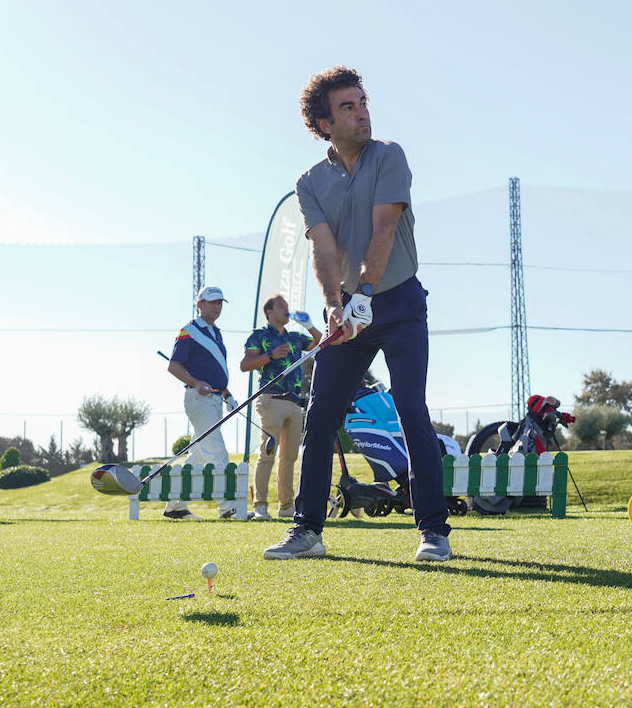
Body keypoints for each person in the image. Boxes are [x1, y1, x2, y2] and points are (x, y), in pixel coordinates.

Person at [264, 66, 453, 562]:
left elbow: (384, 229)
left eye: (362, 102)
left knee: (411, 408)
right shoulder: (310, 182)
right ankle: (306, 530)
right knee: (321, 414)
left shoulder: (389, 155)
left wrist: (365, 292)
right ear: (324, 124)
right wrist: (334, 306)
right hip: (348, 309)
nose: (361, 112)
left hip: (399, 302)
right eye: (347, 107)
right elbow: (323, 252)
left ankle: (434, 531)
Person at [239, 293, 320, 520]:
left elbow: (322, 343)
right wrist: (270, 355)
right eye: (281, 305)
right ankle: (260, 506)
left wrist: (310, 325)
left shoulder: (296, 337)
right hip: (270, 400)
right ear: (269, 312)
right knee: (268, 453)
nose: (286, 308)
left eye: (287, 305)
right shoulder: (259, 336)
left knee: (290, 458)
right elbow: (245, 365)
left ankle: (286, 507)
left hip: (295, 404)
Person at [165, 285, 243, 520]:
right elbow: (174, 366)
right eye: (212, 302)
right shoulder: (188, 331)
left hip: (216, 398)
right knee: (216, 450)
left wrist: (228, 395)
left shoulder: (216, 333)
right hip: (199, 398)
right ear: (199, 305)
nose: (217, 306)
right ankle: (228, 506)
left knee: (197, 455)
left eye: (220, 302)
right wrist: (196, 382)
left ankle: (175, 506)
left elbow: (215, 371)